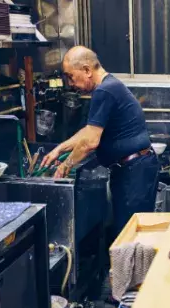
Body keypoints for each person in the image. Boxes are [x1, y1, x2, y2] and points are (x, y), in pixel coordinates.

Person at [41, 46, 159, 235]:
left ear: (87, 70)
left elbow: (90, 142)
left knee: (129, 238)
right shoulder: (108, 87)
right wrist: (59, 150)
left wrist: (65, 166)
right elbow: (89, 132)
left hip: (135, 172)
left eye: (71, 76)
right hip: (134, 169)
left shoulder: (105, 91)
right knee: (128, 234)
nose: (70, 83)